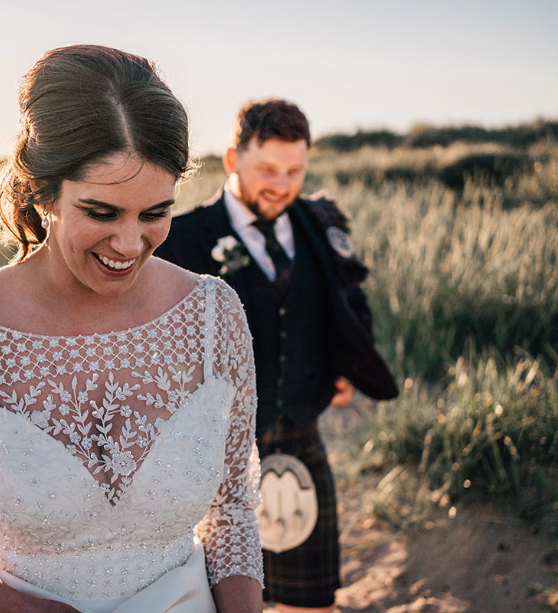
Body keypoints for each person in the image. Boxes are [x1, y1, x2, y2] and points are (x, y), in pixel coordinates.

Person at [0, 45, 265, 613]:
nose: (129, 244)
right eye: (101, 212)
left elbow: (234, 509)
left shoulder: (213, 317)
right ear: (43, 190)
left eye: (154, 213)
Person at [155, 99, 398, 612]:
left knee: (311, 600)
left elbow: (349, 297)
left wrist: (346, 363)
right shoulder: (181, 238)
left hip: (298, 437)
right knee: (218, 598)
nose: (282, 184)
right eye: (267, 169)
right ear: (231, 160)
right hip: (209, 457)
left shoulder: (319, 224)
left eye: (295, 171)